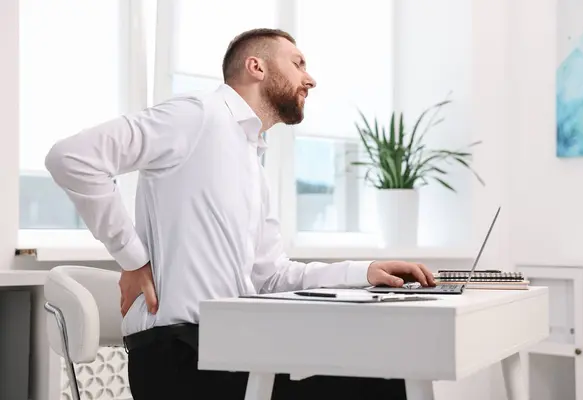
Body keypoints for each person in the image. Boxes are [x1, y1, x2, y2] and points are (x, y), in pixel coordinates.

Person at [45, 28, 436, 400]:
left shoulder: (250, 158)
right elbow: (72, 158)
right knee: (380, 383)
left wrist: (364, 272)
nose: (310, 78)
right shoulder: (198, 114)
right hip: (178, 357)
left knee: (384, 373)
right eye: (298, 63)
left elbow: (273, 277)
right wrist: (132, 258)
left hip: (229, 348)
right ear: (257, 67)